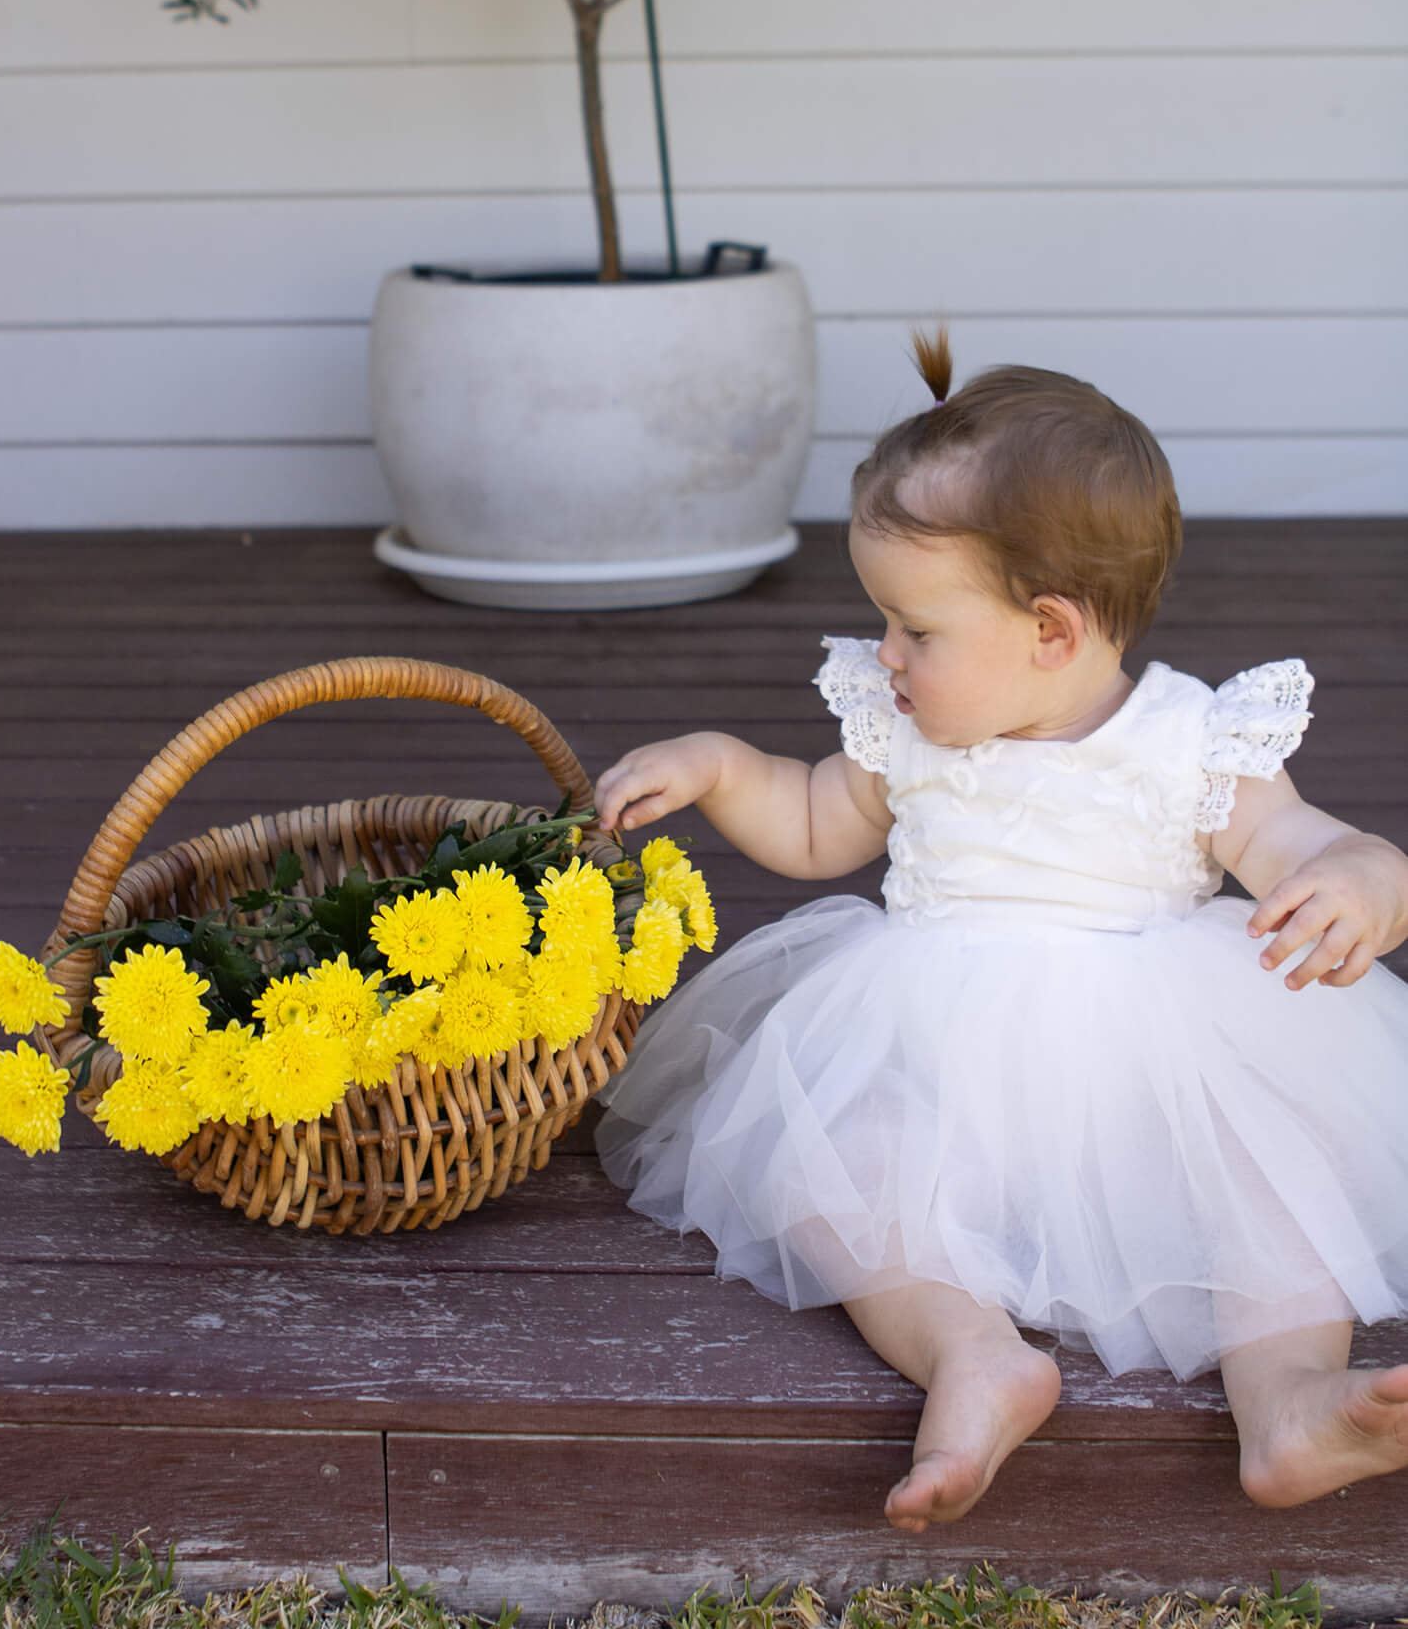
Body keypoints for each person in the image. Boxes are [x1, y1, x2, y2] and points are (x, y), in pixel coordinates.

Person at [591, 331, 1408, 1536]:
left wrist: (1364, 879)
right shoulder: (908, 734)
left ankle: (1286, 1398)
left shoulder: (1192, 741)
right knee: (834, 1164)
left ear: (1052, 631)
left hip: (1157, 1098)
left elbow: (1305, 842)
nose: (886, 653)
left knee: (1271, 1174)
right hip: (935, 1083)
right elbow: (812, 820)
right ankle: (971, 1354)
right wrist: (719, 765)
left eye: (916, 628)